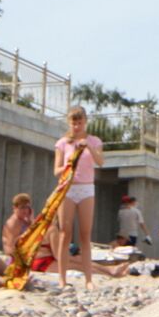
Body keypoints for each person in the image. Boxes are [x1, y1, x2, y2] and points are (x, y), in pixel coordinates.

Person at [54, 106, 103, 290]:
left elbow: (100, 161)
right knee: (65, 233)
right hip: (67, 188)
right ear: (69, 123)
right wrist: (68, 166)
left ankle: (88, 279)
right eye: (74, 122)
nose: (77, 126)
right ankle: (62, 278)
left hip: (86, 189)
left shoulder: (94, 141)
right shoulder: (62, 144)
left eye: (80, 122)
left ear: (85, 122)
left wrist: (87, 145)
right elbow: (56, 170)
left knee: (85, 234)